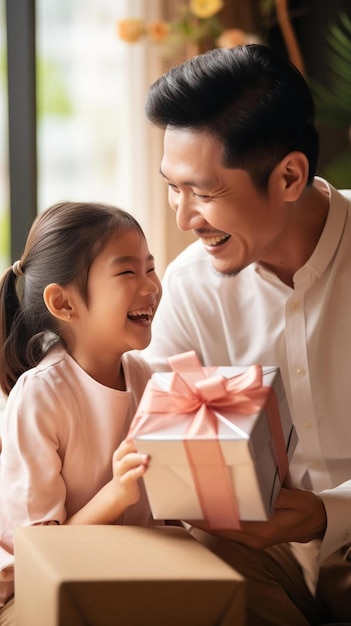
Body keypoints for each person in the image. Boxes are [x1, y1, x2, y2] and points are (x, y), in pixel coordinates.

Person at [143, 44, 351, 625]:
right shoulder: (187, 287)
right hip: (265, 554)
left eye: (203, 193)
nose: (183, 218)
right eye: (173, 187)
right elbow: (162, 439)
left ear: (289, 176)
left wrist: (327, 513)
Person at [0, 201, 162, 624]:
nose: (151, 286)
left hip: (130, 571)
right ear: (64, 303)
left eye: (150, 267)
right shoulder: (40, 396)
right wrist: (117, 495)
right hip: (37, 585)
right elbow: (40, 553)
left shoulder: (148, 380)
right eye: (128, 272)